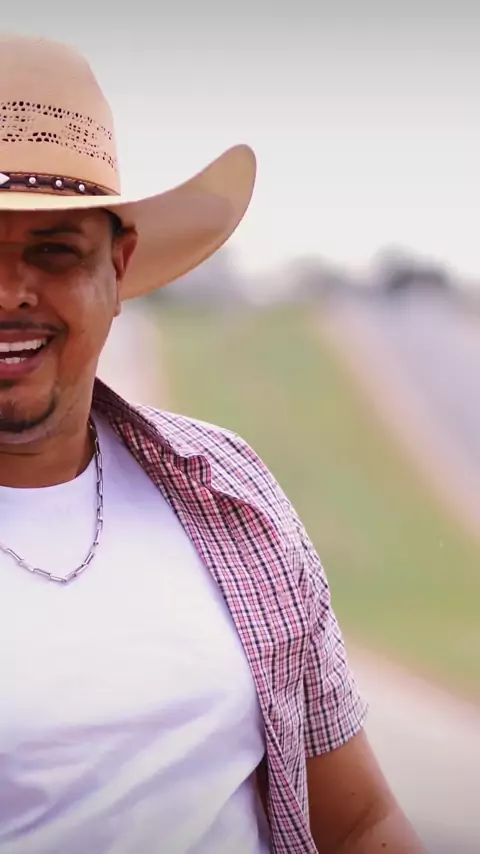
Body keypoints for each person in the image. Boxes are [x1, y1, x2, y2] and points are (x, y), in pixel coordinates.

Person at [0, 33, 426, 854]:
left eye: (54, 251)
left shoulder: (228, 491)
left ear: (118, 270)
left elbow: (360, 821)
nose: (11, 291)